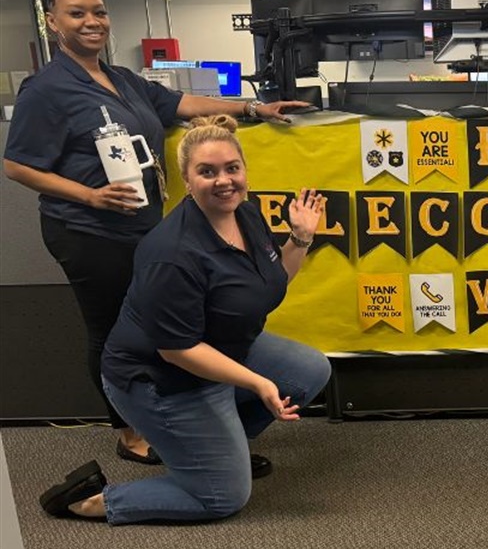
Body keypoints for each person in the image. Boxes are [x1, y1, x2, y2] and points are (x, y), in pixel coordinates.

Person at [3, 0, 310, 465]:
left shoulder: (120, 79)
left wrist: (252, 108)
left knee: (160, 325)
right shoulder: (46, 89)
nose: (93, 21)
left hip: (142, 224)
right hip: (89, 231)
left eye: (99, 12)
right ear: (52, 21)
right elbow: (17, 165)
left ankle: (186, 422)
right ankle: (130, 433)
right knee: (113, 331)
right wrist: (90, 196)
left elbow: (181, 102)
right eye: (77, 13)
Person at [38, 116, 331, 523]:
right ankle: (93, 500)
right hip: (162, 379)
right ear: (187, 181)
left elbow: (273, 282)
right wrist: (257, 382)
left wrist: (300, 238)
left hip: (220, 350)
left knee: (310, 371)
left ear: (245, 170)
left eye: (232, 168)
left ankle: (215, 447)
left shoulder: (247, 216)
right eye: (207, 172)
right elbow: (177, 350)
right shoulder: (172, 253)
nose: (223, 180)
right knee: (222, 497)